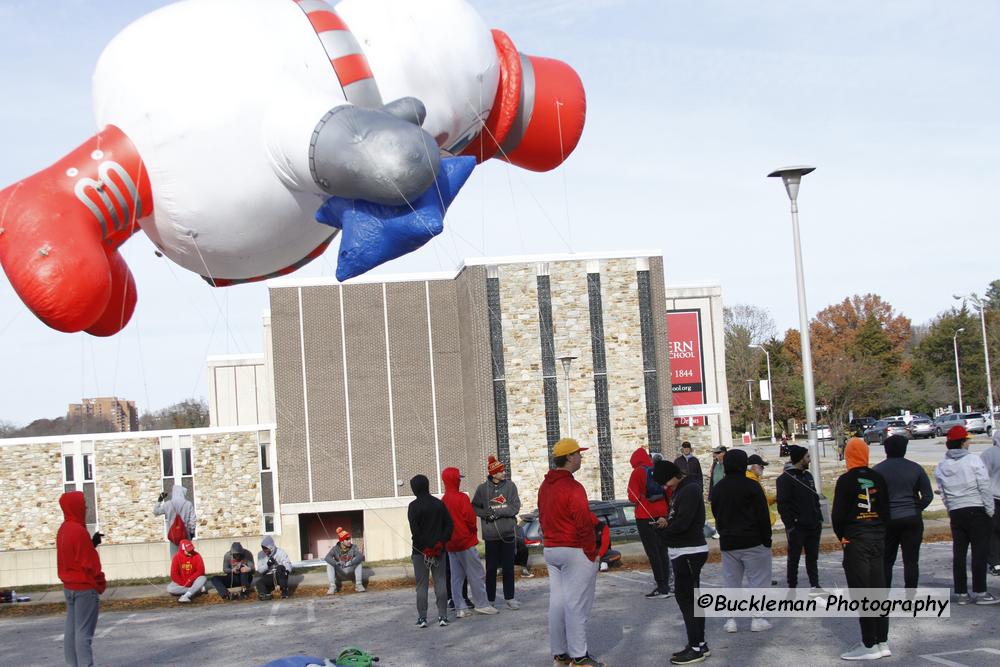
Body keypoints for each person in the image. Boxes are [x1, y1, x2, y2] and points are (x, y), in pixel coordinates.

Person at [539, 438, 604, 667]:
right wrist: (591, 551)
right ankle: (580, 657)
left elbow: (543, 516)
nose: (580, 457)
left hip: (552, 548)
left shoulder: (545, 485)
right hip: (573, 548)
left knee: (557, 603)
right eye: (578, 453)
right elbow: (583, 522)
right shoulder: (573, 487)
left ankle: (560, 654)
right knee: (575, 605)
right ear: (569, 457)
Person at [832, 438, 890, 660]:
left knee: (862, 591)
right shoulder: (878, 477)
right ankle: (882, 640)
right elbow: (886, 510)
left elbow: (838, 514)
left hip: (857, 539)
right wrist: (880, 529)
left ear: (848, 456)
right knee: (878, 589)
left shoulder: (846, 480)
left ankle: (869, 644)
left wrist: (842, 536)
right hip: (877, 536)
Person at [934, 425, 1000, 605]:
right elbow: (984, 486)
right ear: (962, 442)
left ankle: (961, 593)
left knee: (959, 553)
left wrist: (950, 509)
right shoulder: (973, 460)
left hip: (956, 511)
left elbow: (943, 492)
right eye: (967, 439)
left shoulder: (942, 465)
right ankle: (980, 592)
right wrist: (989, 509)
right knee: (979, 552)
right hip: (976, 508)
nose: (969, 442)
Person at [711, 449, 773, 634]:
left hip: (729, 541)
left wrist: (723, 531)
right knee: (759, 581)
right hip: (753, 540)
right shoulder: (752, 486)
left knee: (731, 581)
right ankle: (758, 617)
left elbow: (716, 512)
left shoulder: (719, 488)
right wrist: (767, 538)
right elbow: (763, 514)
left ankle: (730, 619)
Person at [658, 460, 710, 665]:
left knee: (687, 599)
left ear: (674, 475)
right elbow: (677, 518)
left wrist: (664, 532)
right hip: (683, 549)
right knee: (690, 598)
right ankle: (699, 643)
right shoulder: (681, 489)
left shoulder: (689, 490)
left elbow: (684, 522)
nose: (665, 486)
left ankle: (696, 647)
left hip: (690, 550)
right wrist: (665, 522)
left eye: (666, 482)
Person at [872, 434, 933, 588]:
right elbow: (928, 496)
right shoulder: (915, 468)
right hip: (911, 518)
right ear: (904, 449)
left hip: (888, 520)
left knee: (886, 560)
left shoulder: (877, 471)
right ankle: (910, 597)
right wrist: (917, 508)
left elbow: (872, 498)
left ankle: (884, 598)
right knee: (911, 561)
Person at [441, 466, 498, 617]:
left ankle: (460, 607)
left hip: (451, 545)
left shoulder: (444, 500)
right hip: (465, 542)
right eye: (458, 478)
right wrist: (473, 532)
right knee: (476, 574)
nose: (459, 480)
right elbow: (470, 519)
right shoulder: (462, 497)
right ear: (455, 480)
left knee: (456, 577)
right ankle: (482, 604)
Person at [57, 490, 106, 667]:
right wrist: (100, 581)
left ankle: (73, 664)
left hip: (69, 586)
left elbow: (73, 556)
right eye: (83, 503)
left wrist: (91, 543)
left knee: (71, 631)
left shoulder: (64, 529)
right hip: (84, 588)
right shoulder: (78, 530)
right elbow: (89, 563)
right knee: (83, 633)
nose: (85, 507)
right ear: (75, 506)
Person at [472, 455, 523, 609]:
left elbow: (515, 507)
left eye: (503, 470)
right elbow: (474, 507)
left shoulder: (510, 486)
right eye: (501, 471)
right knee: (491, 569)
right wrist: (485, 514)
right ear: (493, 474)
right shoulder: (482, 489)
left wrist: (499, 513)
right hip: (491, 535)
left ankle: (510, 597)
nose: (504, 473)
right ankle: (491, 599)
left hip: (507, 533)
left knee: (508, 567)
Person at [776, 445, 824, 594]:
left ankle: (815, 586)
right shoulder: (785, 479)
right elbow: (783, 504)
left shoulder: (808, 476)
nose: (809, 459)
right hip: (797, 527)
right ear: (800, 458)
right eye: (807, 457)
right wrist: (790, 525)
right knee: (794, 558)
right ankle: (792, 588)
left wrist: (819, 518)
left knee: (812, 558)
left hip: (813, 524)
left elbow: (814, 497)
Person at [407, 473, 454, 628]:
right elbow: (449, 525)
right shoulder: (438, 504)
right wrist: (440, 543)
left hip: (420, 552)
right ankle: (443, 616)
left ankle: (422, 618)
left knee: (421, 585)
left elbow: (415, 531)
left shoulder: (413, 506)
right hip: (439, 550)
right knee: (440, 582)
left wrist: (425, 547)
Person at [627, 446, 672, 599]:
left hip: (644, 515)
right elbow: (669, 491)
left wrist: (640, 496)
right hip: (663, 513)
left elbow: (632, 497)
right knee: (662, 551)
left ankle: (661, 586)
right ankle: (666, 584)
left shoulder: (637, 472)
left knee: (653, 553)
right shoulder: (657, 469)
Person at [153, 485, 196, 558]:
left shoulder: (168, 504)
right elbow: (192, 520)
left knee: (175, 558)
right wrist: (192, 532)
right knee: (187, 558)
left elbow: (156, 512)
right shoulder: (188, 504)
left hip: (173, 535)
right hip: (186, 535)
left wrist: (159, 500)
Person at [981, 428, 1000, 576]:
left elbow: (982, 476)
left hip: (993, 497)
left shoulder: (988, 454)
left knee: (993, 531)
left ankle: (995, 562)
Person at [324, 527, 366, 594]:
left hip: (350, 571)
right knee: (329, 564)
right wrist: (336, 563)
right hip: (340, 572)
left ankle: (359, 585)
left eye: (349, 539)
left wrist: (351, 562)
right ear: (341, 541)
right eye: (347, 539)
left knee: (358, 561)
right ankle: (332, 586)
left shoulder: (353, 547)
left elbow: (360, 556)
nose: (349, 541)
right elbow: (327, 557)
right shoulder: (335, 549)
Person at [167, 539, 207, 603]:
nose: (191, 551)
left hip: (194, 581)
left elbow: (201, 571)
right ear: (182, 550)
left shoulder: (197, 555)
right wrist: (184, 583)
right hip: (182, 582)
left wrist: (190, 580)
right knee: (170, 588)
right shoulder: (176, 557)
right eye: (188, 550)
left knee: (203, 578)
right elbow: (174, 574)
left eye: (191, 549)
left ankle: (187, 595)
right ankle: (196, 590)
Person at [255, 535, 293, 600]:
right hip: (269, 575)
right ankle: (265, 594)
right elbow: (260, 570)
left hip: (280, 575)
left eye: (266, 548)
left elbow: (287, 563)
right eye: (263, 548)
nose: (264, 550)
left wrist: (287, 571)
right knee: (259, 582)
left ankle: (284, 590)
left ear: (271, 547)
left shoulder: (280, 552)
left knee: (280, 567)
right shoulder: (260, 554)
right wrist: (267, 565)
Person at [746, 454, 777, 527]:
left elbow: (762, 500)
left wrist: (774, 499)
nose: (763, 468)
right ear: (753, 467)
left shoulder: (754, 479)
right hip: (758, 524)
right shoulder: (751, 481)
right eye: (761, 466)